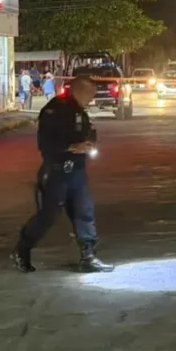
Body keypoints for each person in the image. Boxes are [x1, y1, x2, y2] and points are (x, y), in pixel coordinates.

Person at [12, 76, 115, 274]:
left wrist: (89, 143)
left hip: (77, 172)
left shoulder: (79, 111)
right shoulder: (55, 110)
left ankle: (89, 256)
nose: (92, 99)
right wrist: (70, 147)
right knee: (49, 216)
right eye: (90, 94)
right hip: (57, 172)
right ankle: (22, 249)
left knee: (84, 212)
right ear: (80, 91)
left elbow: (88, 132)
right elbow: (45, 144)